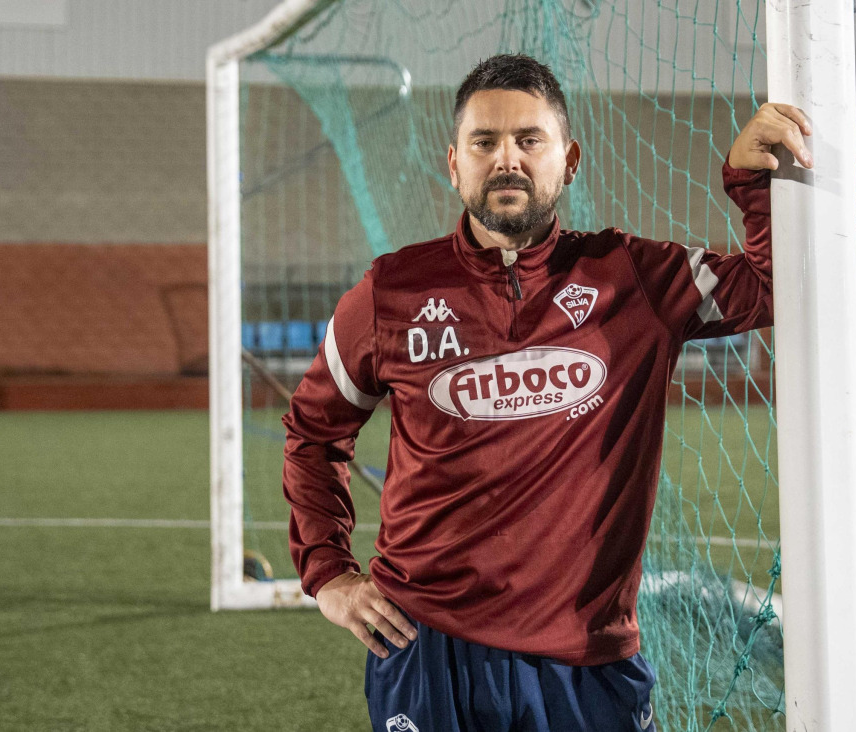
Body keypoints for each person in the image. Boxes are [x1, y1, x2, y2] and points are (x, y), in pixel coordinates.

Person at [282, 53, 812, 732]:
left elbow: (774, 287)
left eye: (530, 140)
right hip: (425, 644)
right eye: (485, 142)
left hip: (584, 655)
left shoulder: (635, 280)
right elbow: (312, 434)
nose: (507, 159)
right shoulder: (391, 293)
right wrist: (328, 574)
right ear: (453, 164)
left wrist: (749, 179)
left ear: (570, 159)